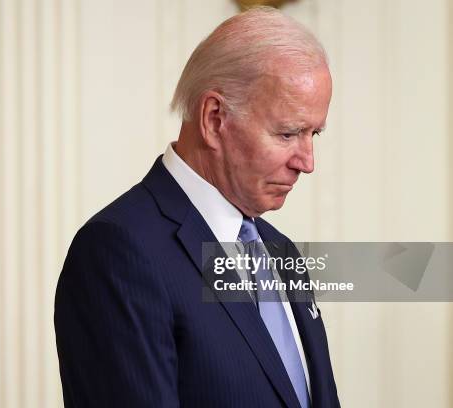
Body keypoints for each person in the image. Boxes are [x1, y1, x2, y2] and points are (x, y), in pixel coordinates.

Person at [55, 6, 340, 408]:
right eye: (288, 132)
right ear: (214, 118)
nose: (307, 162)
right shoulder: (116, 253)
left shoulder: (281, 251)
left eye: (314, 133)